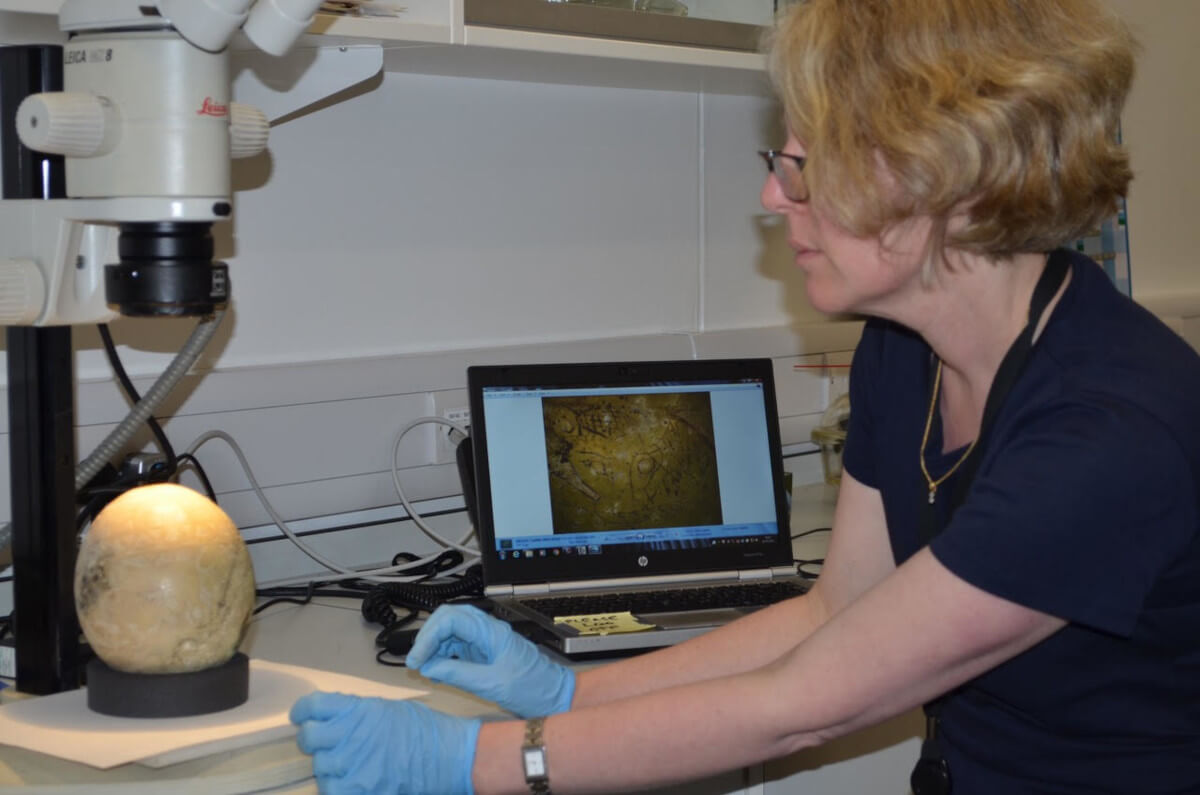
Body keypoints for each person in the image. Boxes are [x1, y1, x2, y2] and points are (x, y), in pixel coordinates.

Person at [289, 0, 1200, 791]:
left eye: (805, 164)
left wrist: (475, 762)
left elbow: (801, 705)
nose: (772, 195)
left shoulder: (1107, 434)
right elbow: (833, 609)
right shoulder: (905, 351)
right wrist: (571, 690)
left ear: (943, 174)